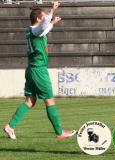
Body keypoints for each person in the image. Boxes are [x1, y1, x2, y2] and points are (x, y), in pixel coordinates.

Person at [4, 1, 76, 139]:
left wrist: (52, 22)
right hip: (39, 71)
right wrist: (51, 10)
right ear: (38, 19)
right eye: (43, 17)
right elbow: (43, 27)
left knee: (30, 101)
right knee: (50, 101)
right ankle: (59, 132)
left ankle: (10, 126)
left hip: (31, 69)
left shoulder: (31, 31)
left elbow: (44, 28)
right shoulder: (36, 30)